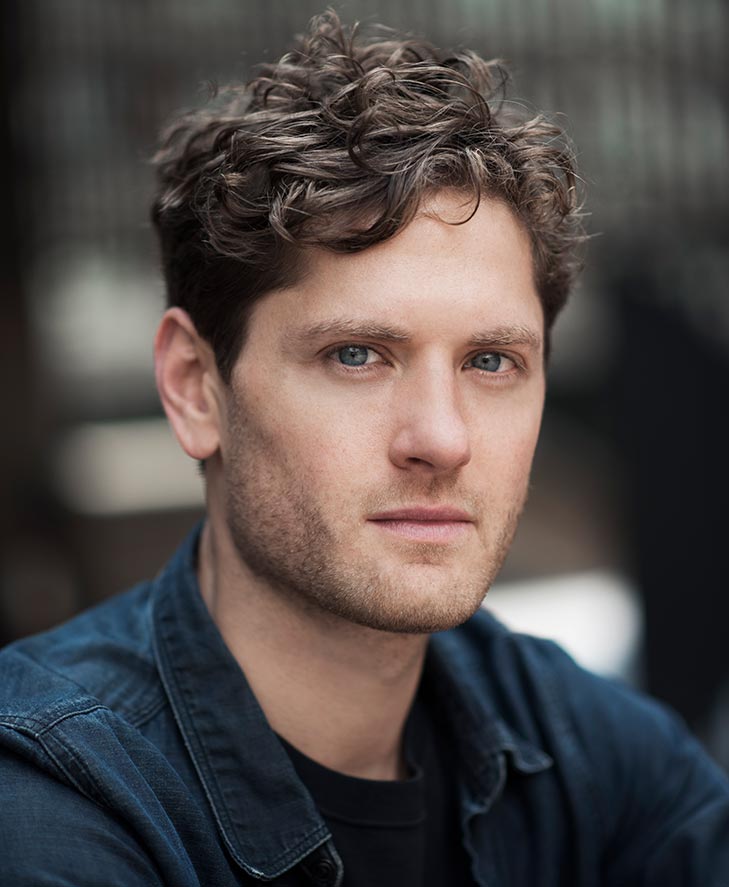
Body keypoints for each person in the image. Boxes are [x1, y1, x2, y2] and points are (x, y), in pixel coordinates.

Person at [1, 11, 727, 886]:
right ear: (195, 385)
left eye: (490, 361)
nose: (442, 439)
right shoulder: (52, 803)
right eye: (356, 355)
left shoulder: (594, 755)